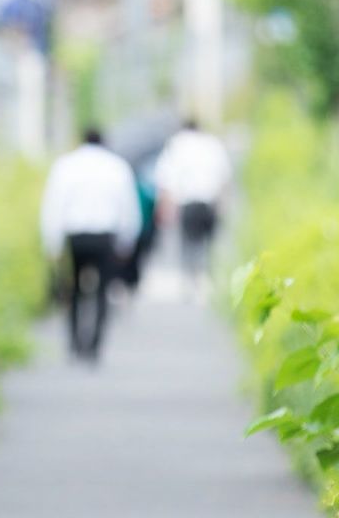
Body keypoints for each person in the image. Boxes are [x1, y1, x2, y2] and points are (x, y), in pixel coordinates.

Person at [39, 128, 142, 359]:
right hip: (105, 236)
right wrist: (127, 240)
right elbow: (128, 205)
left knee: (74, 289)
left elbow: (54, 205)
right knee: (102, 290)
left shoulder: (66, 165)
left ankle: (75, 342)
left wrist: (52, 243)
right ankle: (95, 345)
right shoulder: (116, 167)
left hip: (75, 236)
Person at [154, 118, 233, 289]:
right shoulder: (212, 144)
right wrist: (223, 203)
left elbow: (166, 179)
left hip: (187, 202)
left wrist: (165, 206)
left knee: (188, 243)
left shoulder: (176, 145)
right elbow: (225, 177)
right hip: (209, 201)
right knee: (207, 243)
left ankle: (190, 279)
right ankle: (206, 277)